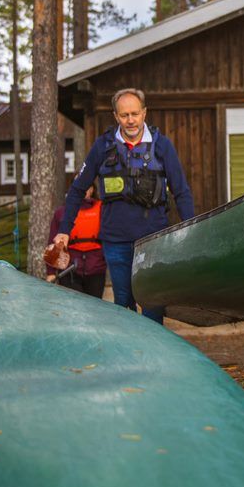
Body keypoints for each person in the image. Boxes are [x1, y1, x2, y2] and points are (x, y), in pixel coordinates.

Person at [55, 88, 195, 324]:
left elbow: (181, 191)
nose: (130, 120)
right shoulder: (103, 146)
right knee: (123, 301)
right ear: (115, 116)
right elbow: (77, 190)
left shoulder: (162, 146)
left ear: (144, 113)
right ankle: (131, 355)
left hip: (153, 238)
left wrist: (191, 228)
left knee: (152, 301)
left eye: (135, 114)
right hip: (115, 240)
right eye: (124, 115)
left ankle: (154, 353)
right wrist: (64, 230)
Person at [44, 184, 107, 298]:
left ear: (92, 189)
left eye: (87, 186)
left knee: (94, 309)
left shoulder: (102, 210)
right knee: (73, 310)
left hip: (96, 269)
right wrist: (51, 272)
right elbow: (53, 243)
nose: (83, 189)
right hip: (69, 271)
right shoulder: (61, 212)